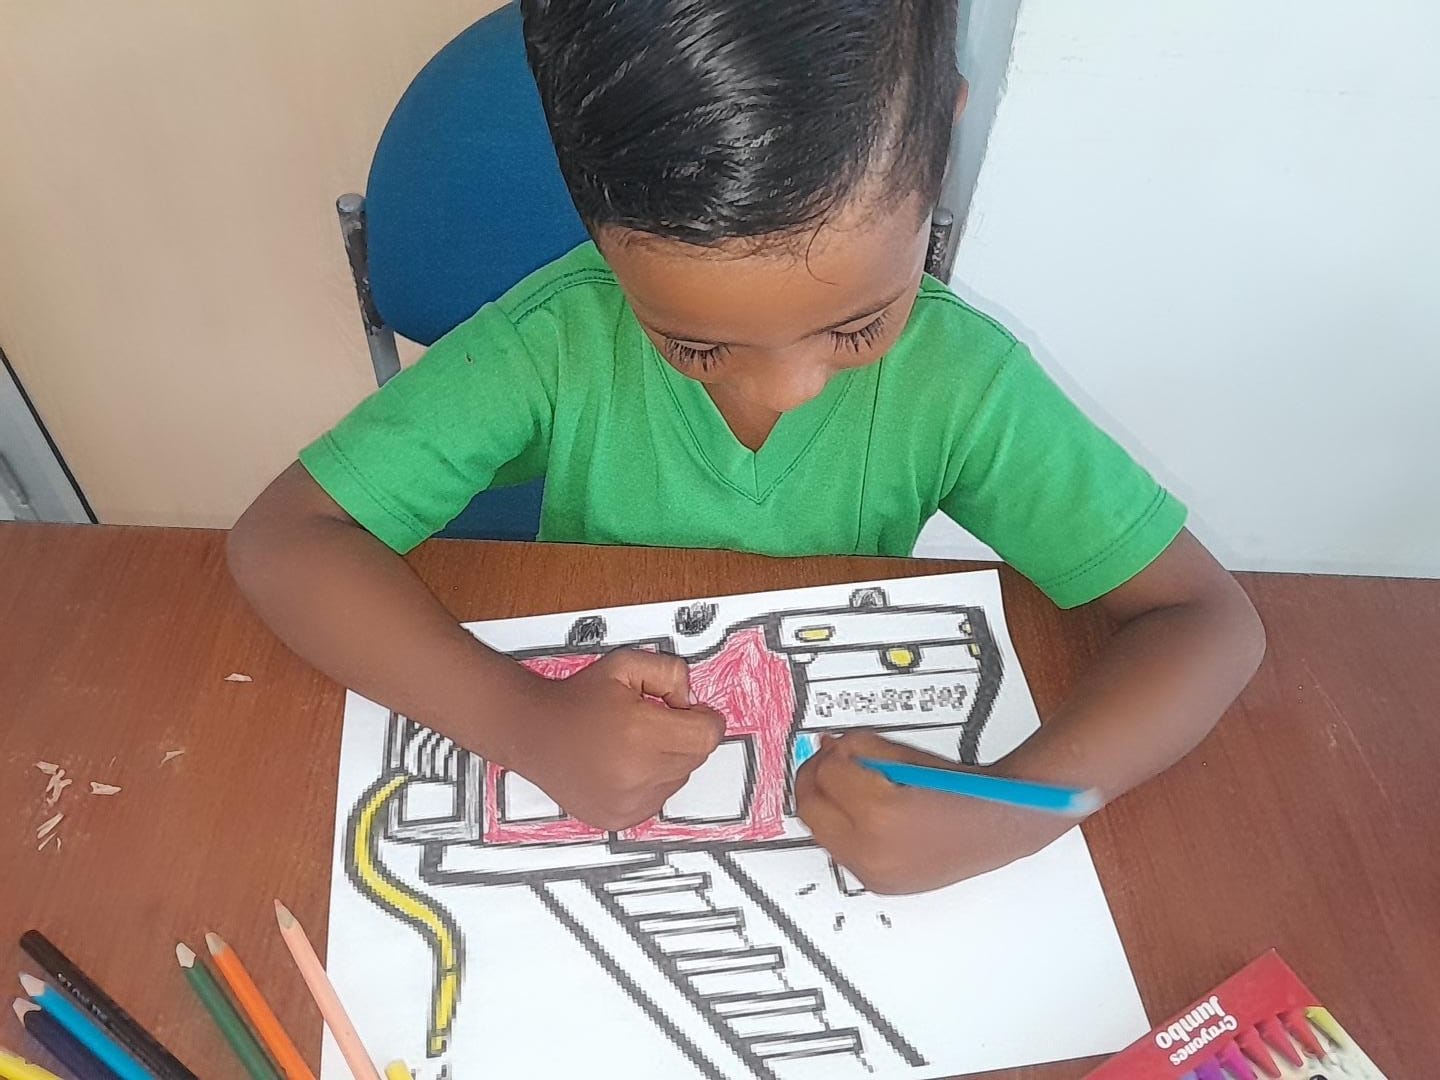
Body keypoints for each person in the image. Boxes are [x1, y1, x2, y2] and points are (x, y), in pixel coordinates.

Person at [229, 0, 1265, 894]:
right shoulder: (556, 341)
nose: (786, 388)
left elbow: (1207, 623)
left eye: (856, 326)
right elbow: (284, 538)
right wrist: (523, 723)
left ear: (942, 140)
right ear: (592, 214)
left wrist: (1018, 811)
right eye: (694, 345)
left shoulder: (965, 383)